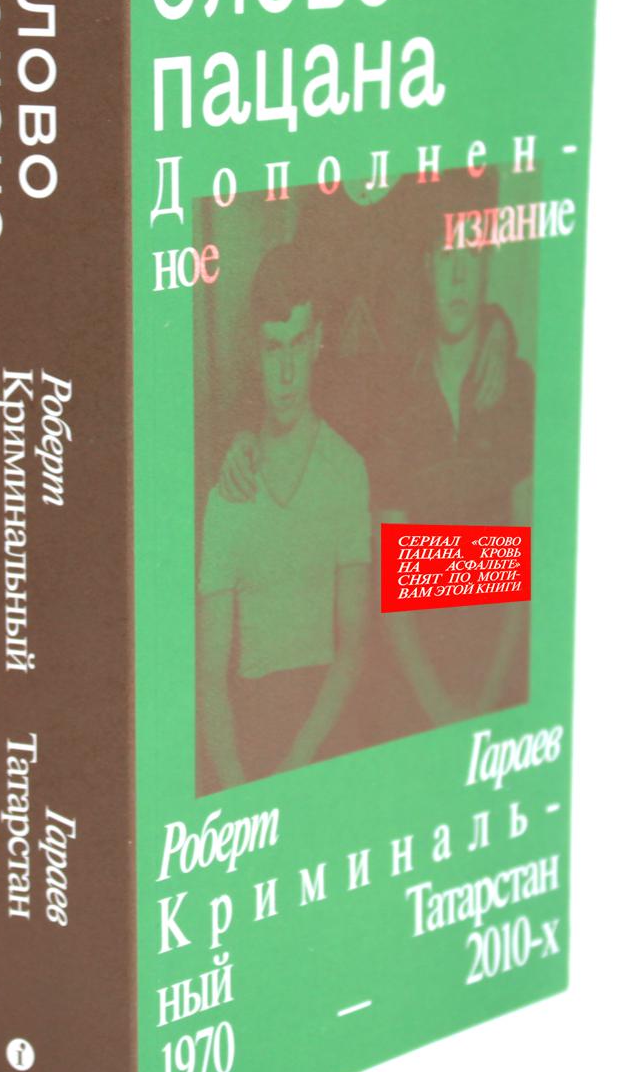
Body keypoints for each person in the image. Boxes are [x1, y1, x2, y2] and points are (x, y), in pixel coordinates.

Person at [197, 244, 371, 789]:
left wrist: (296, 766)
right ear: (255, 353)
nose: (288, 372)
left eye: (298, 343)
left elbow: (354, 646)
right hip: (249, 730)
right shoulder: (229, 492)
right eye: (274, 348)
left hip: (327, 726)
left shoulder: (347, 471)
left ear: (318, 340)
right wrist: (237, 786)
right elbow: (209, 679)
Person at [376, 236, 534, 732]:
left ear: (487, 266)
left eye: (471, 254)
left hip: (502, 683)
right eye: (447, 256)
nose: (459, 276)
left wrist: (486, 701)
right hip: (417, 691)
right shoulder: (396, 392)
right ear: (427, 267)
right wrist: (442, 713)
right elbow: (391, 577)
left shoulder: (519, 385)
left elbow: (527, 559)